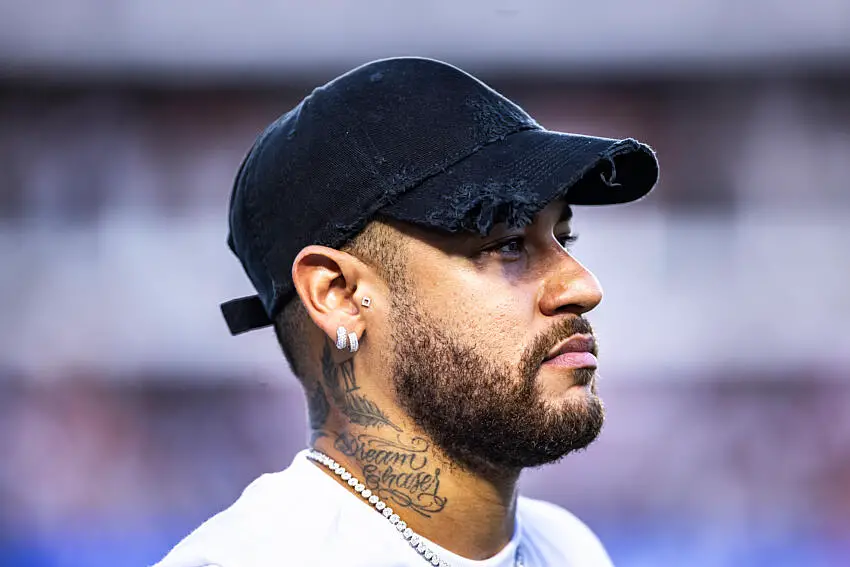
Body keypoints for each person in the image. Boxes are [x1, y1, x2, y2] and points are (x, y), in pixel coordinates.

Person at [154, 57, 658, 567]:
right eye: (507, 244)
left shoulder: (569, 547)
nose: (583, 287)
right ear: (339, 295)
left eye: (564, 237)